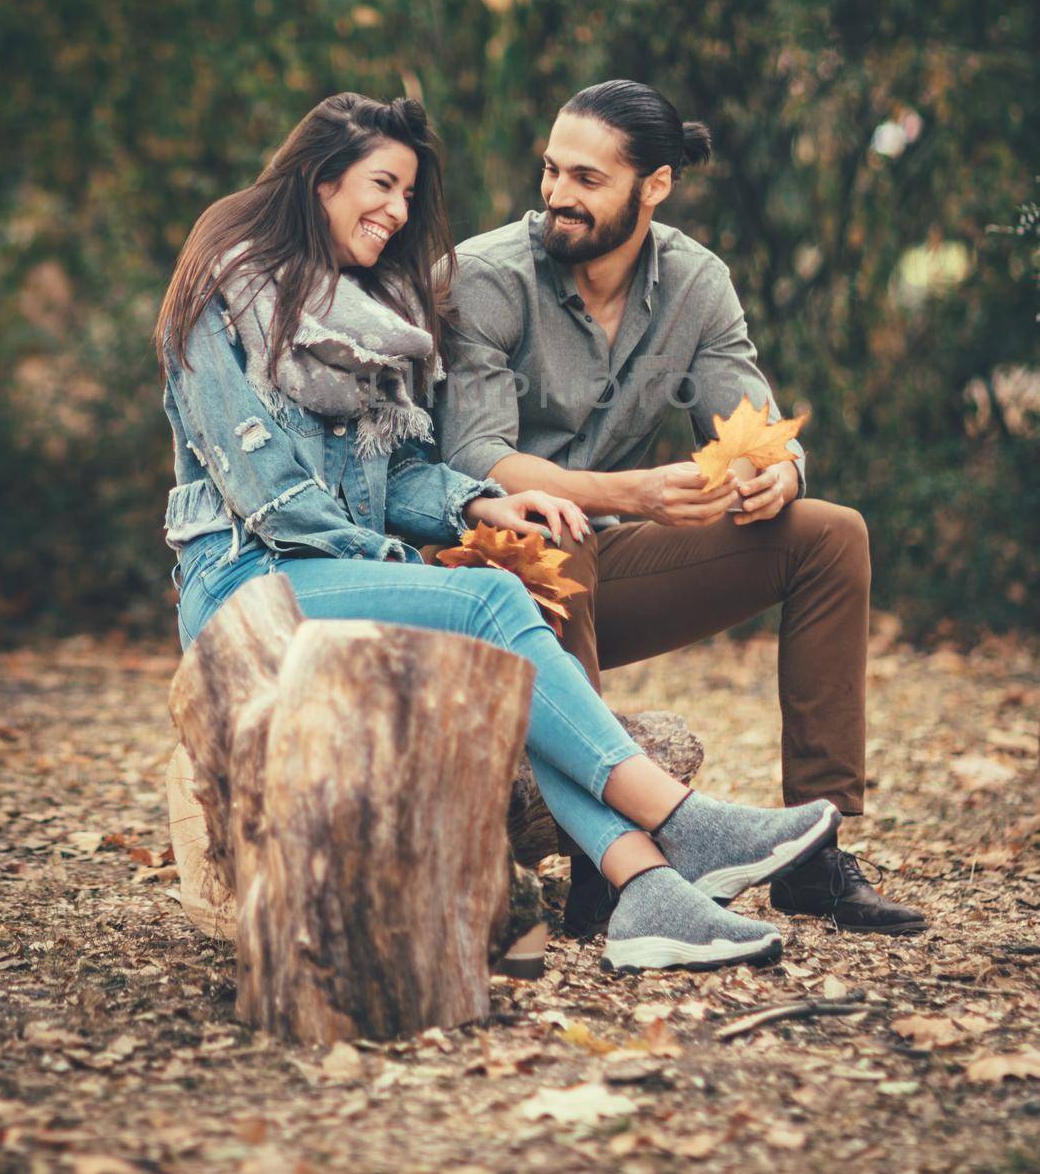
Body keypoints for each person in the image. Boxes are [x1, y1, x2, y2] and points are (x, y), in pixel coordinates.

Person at [155, 90, 841, 975]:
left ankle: (642, 887)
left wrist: (478, 504)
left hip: (338, 581)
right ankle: (678, 821)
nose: (398, 213)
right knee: (483, 597)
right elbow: (269, 495)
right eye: (381, 186)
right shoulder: (220, 294)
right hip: (244, 585)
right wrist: (408, 562)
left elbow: (398, 469)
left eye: (408, 194)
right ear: (321, 181)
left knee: (501, 596)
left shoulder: (373, 317)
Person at [434, 79, 926, 939]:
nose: (556, 195)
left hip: (603, 576)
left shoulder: (696, 283)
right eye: (551, 171)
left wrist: (778, 471)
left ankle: (814, 854)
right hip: (488, 584)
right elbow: (474, 456)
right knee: (555, 526)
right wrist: (629, 492)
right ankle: (613, 863)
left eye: (586, 179)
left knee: (828, 536)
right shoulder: (485, 277)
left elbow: (753, 427)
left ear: (652, 186)